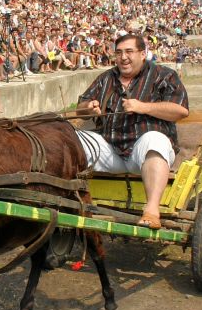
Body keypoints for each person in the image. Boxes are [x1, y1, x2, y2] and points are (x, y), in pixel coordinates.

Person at [75, 33, 189, 229]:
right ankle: (67, 201)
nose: (123, 57)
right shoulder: (106, 78)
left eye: (129, 51)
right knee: (72, 138)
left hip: (141, 155)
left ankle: (152, 210)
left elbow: (180, 111)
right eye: (118, 53)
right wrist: (89, 108)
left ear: (143, 53)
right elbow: (81, 109)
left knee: (155, 140)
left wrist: (143, 107)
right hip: (110, 151)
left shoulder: (164, 75)